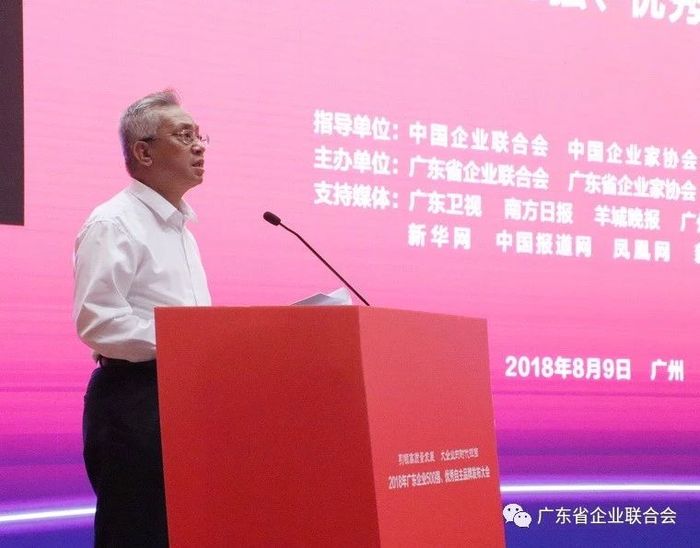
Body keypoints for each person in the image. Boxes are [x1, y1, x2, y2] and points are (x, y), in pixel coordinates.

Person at [73, 90, 211, 547]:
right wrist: (185, 341)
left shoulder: (180, 229)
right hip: (134, 402)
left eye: (200, 135)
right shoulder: (113, 223)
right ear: (144, 152)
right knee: (136, 533)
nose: (199, 146)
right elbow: (98, 322)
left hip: (182, 396)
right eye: (184, 135)